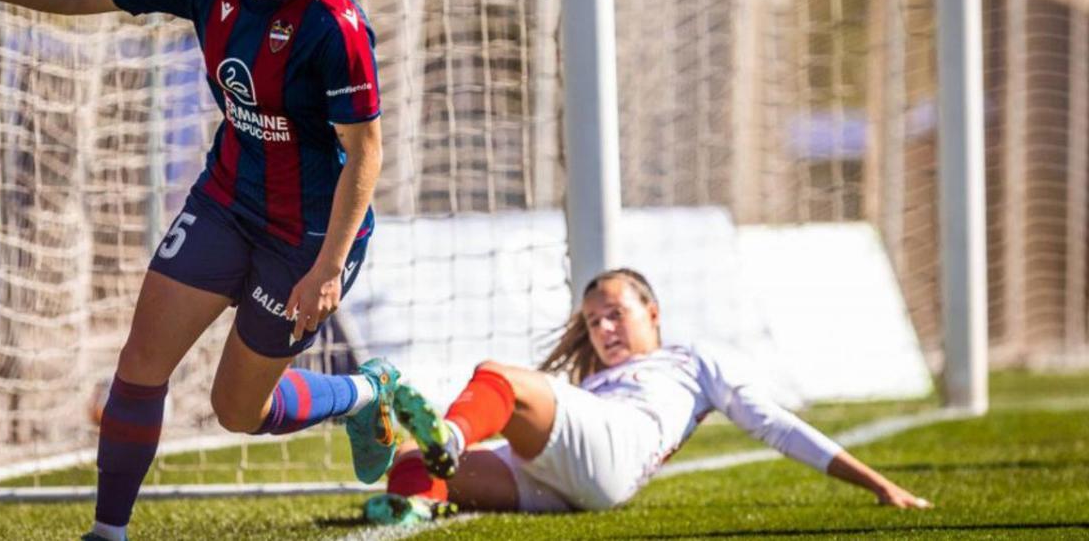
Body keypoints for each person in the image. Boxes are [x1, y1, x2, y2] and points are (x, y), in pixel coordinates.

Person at [0, 0, 396, 540]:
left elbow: (367, 152)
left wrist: (327, 267)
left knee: (236, 409)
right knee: (141, 362)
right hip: (227, 203)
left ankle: (363, 392)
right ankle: (108, 530)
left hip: (306, 239)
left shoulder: (334, 25)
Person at [366, 268, 933, 525]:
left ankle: (452, 436)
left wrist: (878, 484)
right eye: (593, 321)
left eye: (616, 313)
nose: (605, 328)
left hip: (616, 449)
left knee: (500, 377)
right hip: (564, 484)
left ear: (653, 312)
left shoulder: (690, 361)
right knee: (410, 463)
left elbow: (776, 426)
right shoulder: (592, 385)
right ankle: (415, 503)